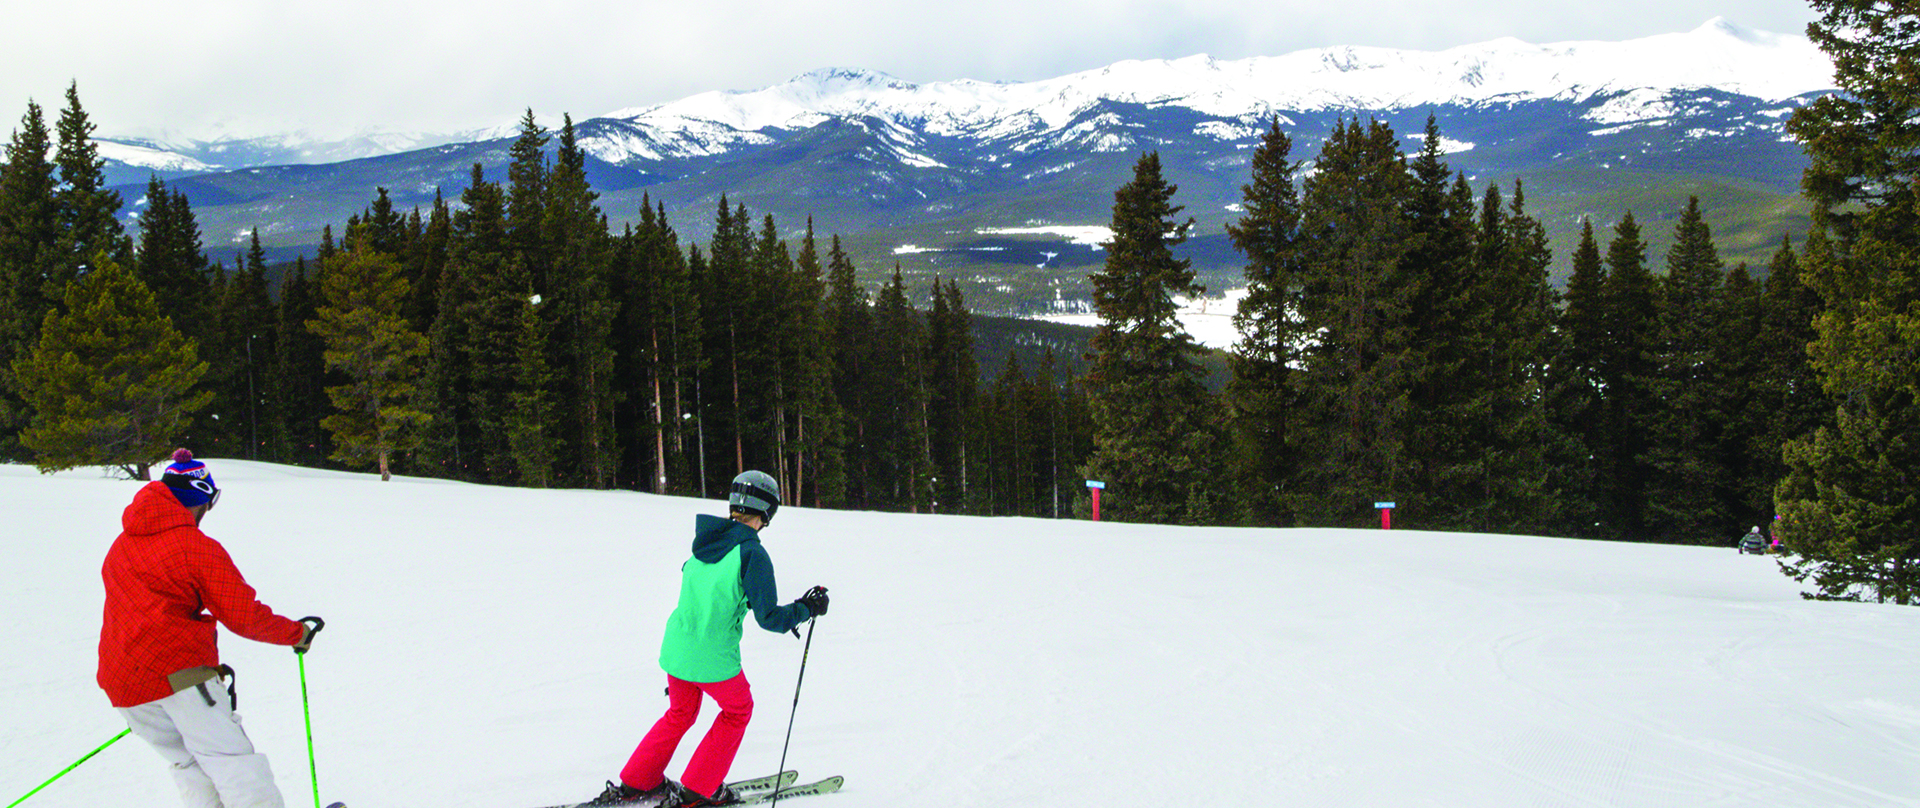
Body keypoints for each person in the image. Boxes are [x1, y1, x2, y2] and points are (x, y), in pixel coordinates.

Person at [584, 471, 829, 807]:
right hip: (712, 657)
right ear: (768, 512)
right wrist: (806, 608)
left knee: (680, 713)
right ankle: (699, 789)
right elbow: (770, 618)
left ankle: (638, 782)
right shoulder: (751, 553)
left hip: (677, 651)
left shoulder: (705, 542)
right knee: (738, 710)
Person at [98, 449, 321, 808]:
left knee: (188, 762)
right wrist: (298, 634)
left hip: (123, 682)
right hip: (178, 676)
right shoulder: (195, 547)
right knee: (230, 761)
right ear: (200, 500)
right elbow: (244, 616)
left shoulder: (123, 544)